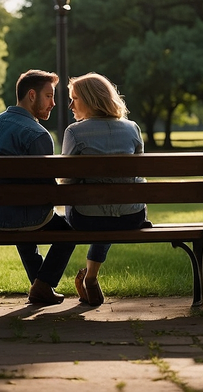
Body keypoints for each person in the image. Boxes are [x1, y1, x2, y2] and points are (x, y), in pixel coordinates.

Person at [0, 69, 75, 305]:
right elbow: (46, 193)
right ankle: (42, 285)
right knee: (68, 232)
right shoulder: (38, 134)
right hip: (21, 218)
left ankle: (41, 286)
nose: (53, 104)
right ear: (31, 95)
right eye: (49, 96)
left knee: (23, 215)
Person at [61, 72, 151, 307]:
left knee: (96, 207)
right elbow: (136, 175)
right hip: (132, 217)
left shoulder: (74, 132)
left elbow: (66, 181)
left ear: (91, 100)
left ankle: (65, 280)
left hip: (86, 220)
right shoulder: (133, 129)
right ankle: (91, 278)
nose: (70, 105)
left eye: (75, 99)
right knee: (113, 203)